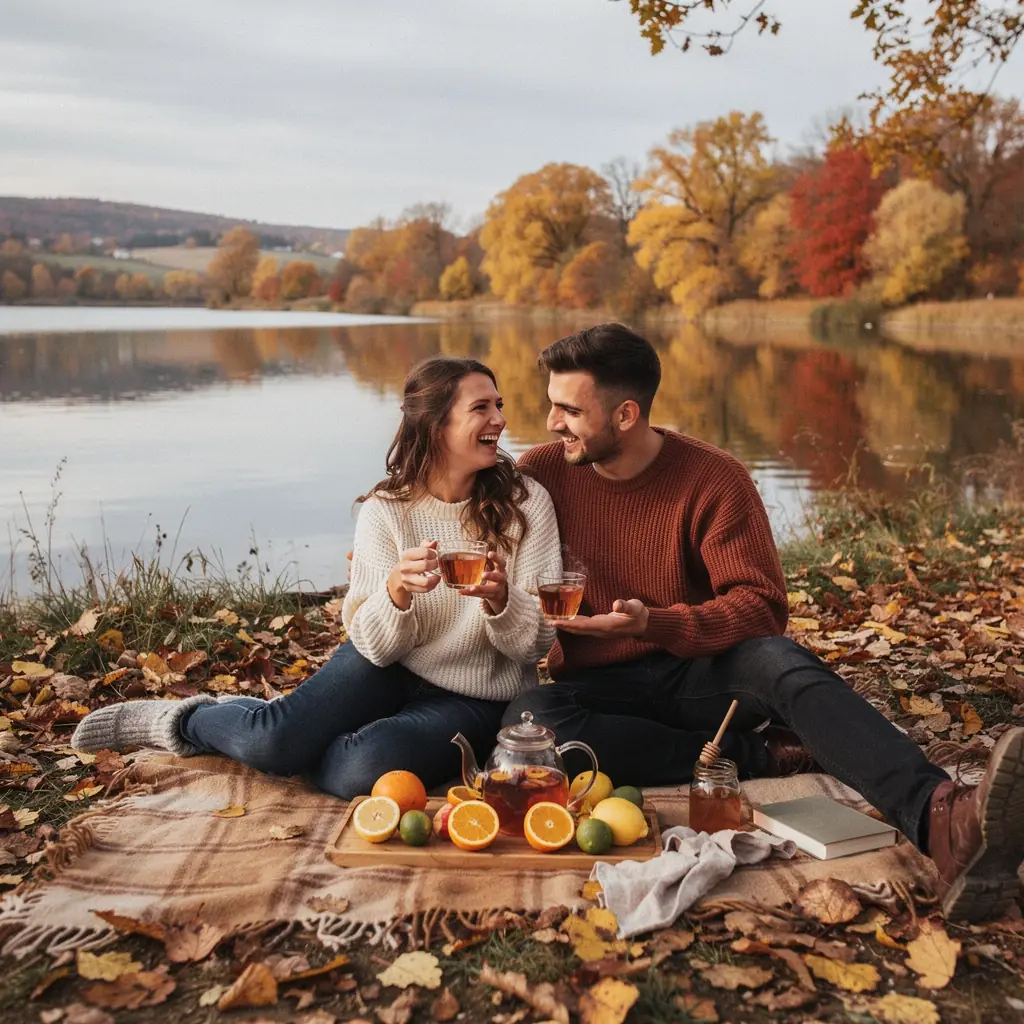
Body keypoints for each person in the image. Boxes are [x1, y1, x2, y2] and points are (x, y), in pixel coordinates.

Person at [503, 322, 1024, 921]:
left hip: (700, 676)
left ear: (625, 415)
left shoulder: (713, 478)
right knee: (531, 723)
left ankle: (942, 818)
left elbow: (761, 606)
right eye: (551, 406)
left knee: (778, 660)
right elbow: (458, 492)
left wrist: (657, 624)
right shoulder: (540, 472)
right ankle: (760, 757)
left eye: (568, 409)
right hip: (598, 688)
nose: (550, 423)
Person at [72, 357, 561, 797]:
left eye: (498, 405)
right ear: (435, 425)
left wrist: (502, 601)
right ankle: (184, 719)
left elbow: (536, 645)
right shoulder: (386, 511)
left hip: (473, 697)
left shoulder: (526, 505)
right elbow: (371, 644)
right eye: (482, 407)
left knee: (359, 768)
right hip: (385, 667)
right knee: (271, 740)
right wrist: (393, 594)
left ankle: (280, 738)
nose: (500, 418)